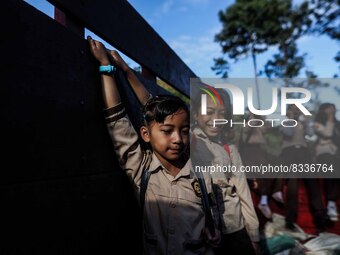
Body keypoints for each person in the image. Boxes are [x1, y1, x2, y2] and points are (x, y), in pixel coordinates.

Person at [87, 36, 220, 254]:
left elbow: (211, 211)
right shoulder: (142, 170)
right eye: (167, 132)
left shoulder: (201, 173)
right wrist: (108, 67)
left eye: (184, 131)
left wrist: (213, 231)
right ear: (146, 135)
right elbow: (118, 121)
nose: (177, 139)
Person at [190, 84, 260, 255]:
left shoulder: (230, 150)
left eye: (222, 113)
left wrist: (254, 236)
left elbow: (243, 194)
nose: (216, 119)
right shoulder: (188, 142)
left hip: (235, 228)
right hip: (204, 233)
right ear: (195, 114)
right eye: (209, 111)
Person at [280, 105, 327, 231]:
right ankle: (290, 219)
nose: (295, 111)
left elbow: (311, 134)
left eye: (297, 109)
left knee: (312, 182)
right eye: (292, 109)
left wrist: (306, 120)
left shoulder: (302, 123)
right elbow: (288, 133)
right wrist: (290, 118)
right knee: (292, 184)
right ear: (288, 111)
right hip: (289, 153)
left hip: (303, 152)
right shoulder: (284, 122)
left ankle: (320, 216)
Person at [239, 112, 284, 220]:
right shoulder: (247, 127)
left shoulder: (259, 128)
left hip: (260, 152)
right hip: (249, 153)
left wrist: (263, 118)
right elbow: (250, 124)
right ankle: (264, 201)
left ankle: (274, 192)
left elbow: (268, 127)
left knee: (279, 164)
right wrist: (252, 115)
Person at [314, 103, 340, 222]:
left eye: (333, 109)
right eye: (329, 109)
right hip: (324, 154)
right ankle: (330, 202)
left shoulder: (337, 125)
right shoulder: (317, 124)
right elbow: (327, 134)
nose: (332, 111)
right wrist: (330, 119)